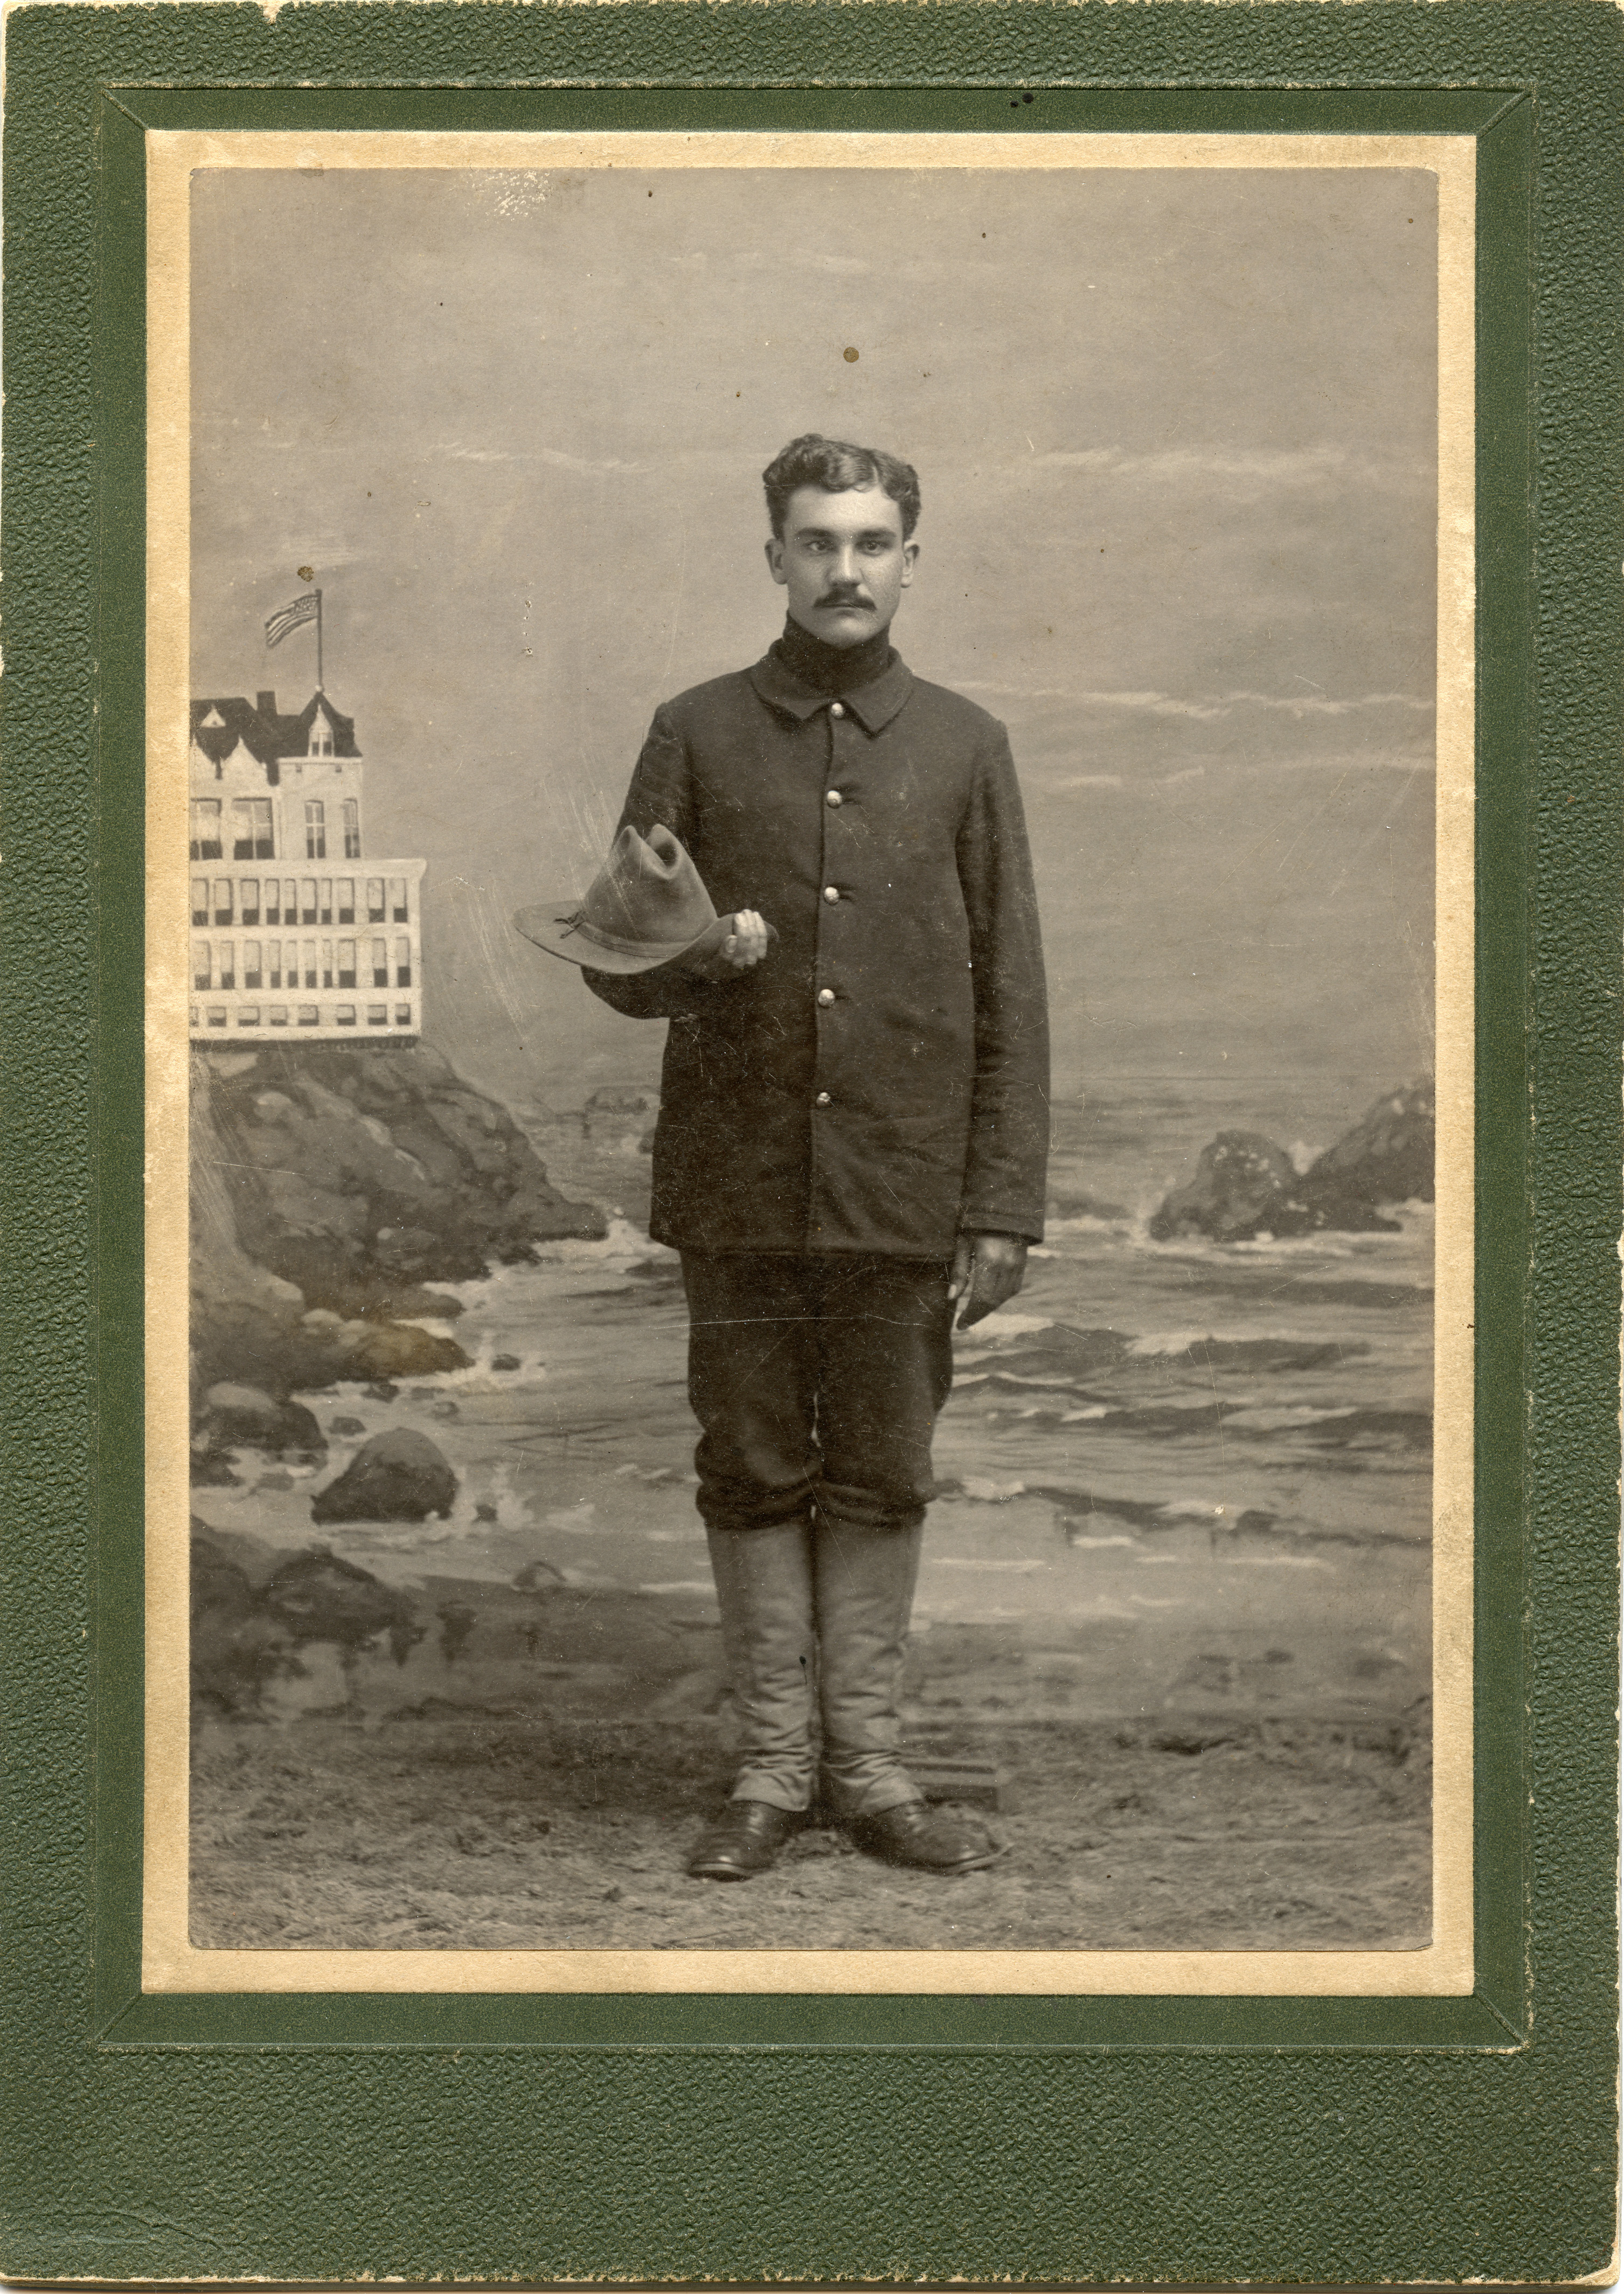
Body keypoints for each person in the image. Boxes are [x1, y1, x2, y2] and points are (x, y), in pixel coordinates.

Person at [547, 433, 1049, 1880]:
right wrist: (699, 960)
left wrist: (1001, 1205)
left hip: (903, 1182)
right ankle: (772, 1770)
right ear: (774, 555)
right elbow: (616, 967)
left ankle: (872, 1772)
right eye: (817, 542)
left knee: (884, 1468)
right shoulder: (695, 731)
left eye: (871, 542)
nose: (845, 569)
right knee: (754, 1462)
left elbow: (1013, 990)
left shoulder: (967, 747)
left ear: (911, 560)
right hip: (740, 1179)